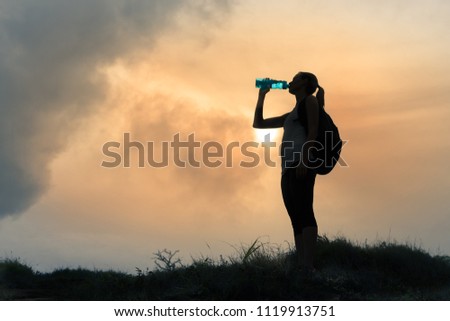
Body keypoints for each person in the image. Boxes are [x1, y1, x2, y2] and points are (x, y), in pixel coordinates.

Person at [253, 72, 324, 271]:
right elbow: (259, 123)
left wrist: (304, 158)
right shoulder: (291, 114)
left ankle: (308, 265)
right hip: (287, 169)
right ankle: (302, 265)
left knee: (305, 212)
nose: (290, 82)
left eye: (296, 78)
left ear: (306, 83)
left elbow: (313, 131)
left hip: (302, 164)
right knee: (295, 216)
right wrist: (262, 95)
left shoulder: (309, 102)